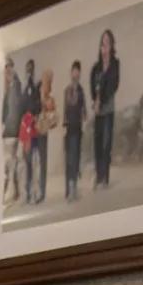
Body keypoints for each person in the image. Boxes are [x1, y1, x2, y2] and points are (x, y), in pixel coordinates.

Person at [90, 28, 120, 189]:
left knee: (106, 144)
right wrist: (94, 101)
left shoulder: (115, 64)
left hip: (108, 110)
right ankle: (99, 176)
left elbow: (114, 85)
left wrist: (101, 101)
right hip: (97, 111)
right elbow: (91, 85)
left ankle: (105, 178)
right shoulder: (96, 67)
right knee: (97, 143)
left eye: (107, 42)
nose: (105, 45)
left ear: (111, 44)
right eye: (103, 42)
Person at [62, 59, 87, 200]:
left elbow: (84, 111)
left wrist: (84, 115)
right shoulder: (67, 90)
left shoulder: (81, 90)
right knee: (69, 159)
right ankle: (69, 189)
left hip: (78, 129)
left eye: (78, 71)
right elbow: (67, 107)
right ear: (71, 73)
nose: (76, 74)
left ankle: (74, 188)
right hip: (69, 129)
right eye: (74, 71)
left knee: (75, 158)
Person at [33, 68, 57, 204]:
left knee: (42, 163)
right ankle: (34, 191)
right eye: (45, 80)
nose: (46, 84)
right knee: (34, 162)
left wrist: (46, 115)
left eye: (49, 81)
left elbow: (54, 120)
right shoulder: (37, 95)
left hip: (42, 133)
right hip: (33, 132)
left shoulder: (50, 100)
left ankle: (41, 192)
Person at [20, 58, 41, 203]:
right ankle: (26, 193)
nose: (29, 72)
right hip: (25, 130)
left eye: (31, 69)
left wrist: (33, 117)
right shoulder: (23, 90)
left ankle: (34, 192)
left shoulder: (36, 88)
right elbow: (22, 109)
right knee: (26, 163)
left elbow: (38, 107)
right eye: (27, 70)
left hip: (34, 129)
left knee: (34, 162)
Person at [2, 58, 23, 203]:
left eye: (9, 67)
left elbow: (15, 109)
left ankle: (13, 192)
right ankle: (8, 192)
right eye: (6, 68)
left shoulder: (15, 86)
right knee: (8, 163)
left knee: (11, 162)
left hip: (13, 130)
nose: (7, 71)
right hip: (6, 131)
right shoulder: (7, 86)